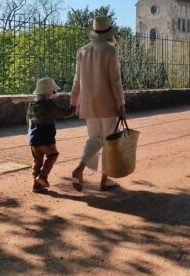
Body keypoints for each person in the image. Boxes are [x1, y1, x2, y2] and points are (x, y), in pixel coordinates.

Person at [70, 16, 126, 192]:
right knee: (110, 141)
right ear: (109, 33)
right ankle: (104, 180)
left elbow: (76, 81)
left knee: (94, 139)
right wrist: (121, 104)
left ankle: (79, 168)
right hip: (108, 103)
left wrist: (74, 102)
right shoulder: (110, 51)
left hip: (88, 104)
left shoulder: (82, 51)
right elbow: (115, 81)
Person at [27, 77, 74, 192]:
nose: (54, 93)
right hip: (46, 136)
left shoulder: (31, 104)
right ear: (48, 92)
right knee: (53, 155)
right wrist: (73, 109)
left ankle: (36, 185)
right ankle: (42, 177)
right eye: (53, 90)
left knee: (37, 161)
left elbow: (27, 119)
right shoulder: (50, 104)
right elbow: (63, 113)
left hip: (33, 137)